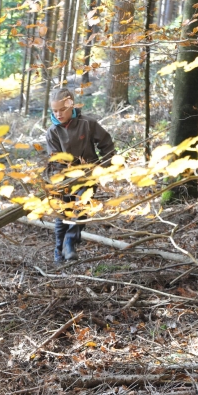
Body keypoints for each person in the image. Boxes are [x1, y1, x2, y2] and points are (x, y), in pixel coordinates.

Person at [45, 88, 115, 264]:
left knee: (82, 205)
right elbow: (55, 160)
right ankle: (58, 252)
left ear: (70, 105)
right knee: (63, 211)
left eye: (62, 109)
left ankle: (71, 241)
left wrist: (103, 166)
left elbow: (107, 145)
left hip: (88, 173)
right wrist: (60, 179)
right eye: (55, 111)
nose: (58, 114)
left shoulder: (87, 123)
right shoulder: (52, 132)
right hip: (64, 177)